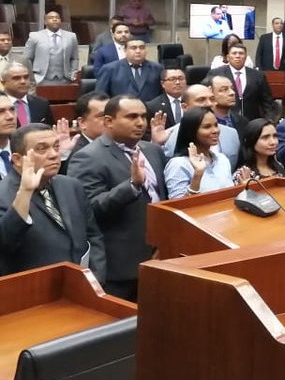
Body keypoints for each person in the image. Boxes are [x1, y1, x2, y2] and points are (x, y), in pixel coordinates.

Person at [70, 95, 167, 301]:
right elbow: (90, 210)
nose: (140, 122)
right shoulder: (88, 157)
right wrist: (131, 186)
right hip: (121, 267)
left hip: (160, 255)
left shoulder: (153, 151)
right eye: (131, 117)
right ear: (108, 121)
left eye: (143, 116)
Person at [0, 124, 107, 284]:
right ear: (17, 159)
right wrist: (26, 191)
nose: (53, 155)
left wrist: (96, 279)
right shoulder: (3, 193)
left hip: (82, 286)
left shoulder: (71, 185)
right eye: (42, 149)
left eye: (56, 147)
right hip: (34, 293)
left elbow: (92, 235)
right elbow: (6, 242)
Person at [157, 84, 241, 162]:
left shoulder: (231, 133)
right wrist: (156, 143)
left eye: (212, 99)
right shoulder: (168, 136)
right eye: (201, 100)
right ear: (185, 107)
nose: (209, 104)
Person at [164, 107, 234, 198]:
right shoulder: (178, 164)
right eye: (207, 127)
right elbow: (178, 207)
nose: (215, 130)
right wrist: (198, 174)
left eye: (216, 125)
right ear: (191, 131)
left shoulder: (222, 159)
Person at [210, 42, 275, 122]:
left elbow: (267, 102)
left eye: (241, 53)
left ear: (246, 57)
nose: (238, 56)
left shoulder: (258, 75)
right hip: (226, 121)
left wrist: (269, 121)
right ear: (227, 57)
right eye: (234, 53)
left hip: (252, 122)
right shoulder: (216, 73)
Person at [58, 92, 109, 177]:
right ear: (82, 123)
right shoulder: (79, 155)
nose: (109, 120)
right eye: (102, 116)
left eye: (112, 115)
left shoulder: (123, 144)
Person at [96, 39, 162, 104]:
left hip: (150, 111)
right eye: (133, 48)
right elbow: (101, 96)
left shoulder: (157, 68)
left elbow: (162, 93)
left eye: (142, 48)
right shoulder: (109, 69)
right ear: (125, 50)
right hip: (120, 111)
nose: (138, 51)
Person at [24, 9, 79, 85]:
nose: (54, 19)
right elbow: (27, 59)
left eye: (57, 18)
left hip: (65, 80)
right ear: (45, 22)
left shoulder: (71, 36)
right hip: (41, 79)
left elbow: (74, 58)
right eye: (51, 18)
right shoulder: (35, 36)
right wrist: (32, 77)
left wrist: (73, 74)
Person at [0, 97, 16, 179]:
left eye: (12, 109)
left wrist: (61, 153)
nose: (10, 117)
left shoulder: (25, 149)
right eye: (1, 111)